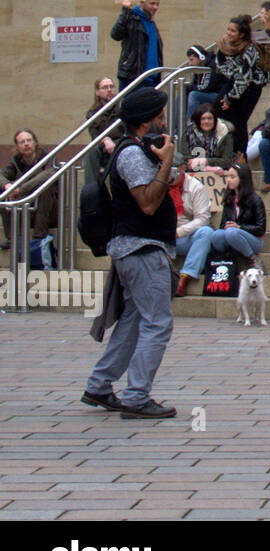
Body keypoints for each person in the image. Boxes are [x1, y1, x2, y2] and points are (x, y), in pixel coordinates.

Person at [82, 86, 179, 419]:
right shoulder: (132, 154)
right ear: (145, 122)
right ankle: (137, 397)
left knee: (135, 320)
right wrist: (166, 163)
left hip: (137, 249)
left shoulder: (137, 150)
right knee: (158, 324)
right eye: (160, 117)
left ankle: (99, 385)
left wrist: (164, 164)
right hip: (142, 250)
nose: (163, 123)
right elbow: (149, 203)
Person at [2, 129, 59, 267]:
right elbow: (1, 175)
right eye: (22, 142)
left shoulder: (46, 157)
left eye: (29, 140)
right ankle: (12, 238)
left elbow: (49, 173)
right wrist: (7, 185)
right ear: (17, 146)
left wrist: (21, 189)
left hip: (47, 210)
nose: (26, 144)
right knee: (3, 193)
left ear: (35, 142)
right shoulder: (16, 161)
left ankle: (39, 238)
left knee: (46, 187)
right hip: (26, 208)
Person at [213, 15, 267, 156]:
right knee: (216, 110)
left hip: (250, 87)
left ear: (242, 34)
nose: (228, 33)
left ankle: (240, 157)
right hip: (233, 83)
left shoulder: (250, 50)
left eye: (233, 31)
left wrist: (229, 99)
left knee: (239, 121)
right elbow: (221, 67)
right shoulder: (225, 47)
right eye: (228, 30)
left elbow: (245, 78)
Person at [207, 162, 266, 267]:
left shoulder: (256, 200)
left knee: (232, 232)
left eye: (232, 177)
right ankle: (225, 259)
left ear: (242, 179)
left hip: (253, 239)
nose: (228, 180)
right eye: (228, 176)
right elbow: (222, 226)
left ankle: (253, 258)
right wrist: (226, 226)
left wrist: (239, 227)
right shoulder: (229, 199)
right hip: (232, 237)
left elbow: (260, 229)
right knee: (216, 235)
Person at [172, 167, 215, 296]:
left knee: (206, 232)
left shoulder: (196, 187)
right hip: (162, 237)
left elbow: (203, 219)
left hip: (185, 236)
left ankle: (184, 278)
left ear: (181, 169)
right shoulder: (158, 184)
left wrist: (179, 232)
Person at [111, 0, 163, 88]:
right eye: (152, 3)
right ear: (142, 2)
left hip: (152, 79)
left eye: (157, 4)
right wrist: (125, 11)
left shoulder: (151, 23)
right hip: (133, 78)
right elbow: (115, 34)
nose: (155, 7)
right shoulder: (131, 18)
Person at [180, 104, 235, 175]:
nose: (206, 121)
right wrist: (207, 169)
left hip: (220, 176)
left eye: (209, 118)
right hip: (193, 176)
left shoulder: (225, 134)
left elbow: (227, 161)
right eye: (203, 119)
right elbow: (185, 162)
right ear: (198, 120)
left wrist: (206, 161)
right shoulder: (187, 134)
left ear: (215, 120)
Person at [184, 45, 227, 120]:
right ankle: (176, 128)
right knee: (182, 94)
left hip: (218, 95)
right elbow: (196, 84)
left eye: (191, 60)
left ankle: (190, 126)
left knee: (194, 95)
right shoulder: (199, 67)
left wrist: (187, 87)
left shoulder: (212, 65)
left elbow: (206, 87)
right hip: (209, 93)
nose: (189, 63)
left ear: (201, 57)